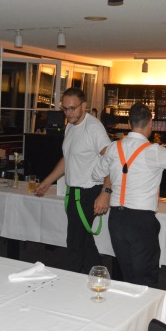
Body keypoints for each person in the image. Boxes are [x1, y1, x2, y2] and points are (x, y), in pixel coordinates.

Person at [92, 103, 166, 287]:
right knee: (146, 279)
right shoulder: (154, 151)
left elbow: (96, 174)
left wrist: (111, 177)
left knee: (128, 276)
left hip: (116, 220)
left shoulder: (113, 148)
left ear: (129, 123)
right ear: (150, 123)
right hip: (141, 221)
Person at [35, 88, 111, 273]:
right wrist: (48, 181)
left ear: (84, 106)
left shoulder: (93, 128)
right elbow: (67, 159)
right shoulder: (70, 126)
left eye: (72, 108)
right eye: (65, 108)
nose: (68, 113)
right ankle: (100, 277)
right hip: (74, 192)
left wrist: (106, 192)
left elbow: (111, 160)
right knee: (83, 241)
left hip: (89, 192)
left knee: (75, 243)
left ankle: (70, 281)